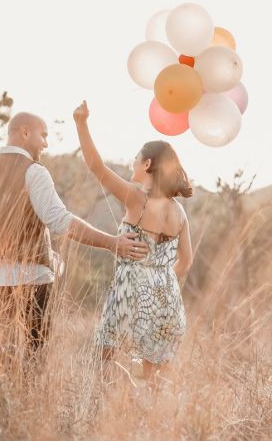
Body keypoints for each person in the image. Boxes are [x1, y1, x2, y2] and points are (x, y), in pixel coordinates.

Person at [0, 112, 148, 365]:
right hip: (33, 282)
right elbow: (60, 221)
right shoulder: (34, 171)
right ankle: (30, 403)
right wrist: (113, 244)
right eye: (43, 135)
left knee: (0, 360)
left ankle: (2, 403)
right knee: (35, 360)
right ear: (25, 133)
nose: (45, 144)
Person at [73, 100, 193, 383]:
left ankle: (111, 417)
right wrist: (159, 283)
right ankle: (149, 422)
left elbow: (96, 166)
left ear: (147, 164)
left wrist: (81, 123)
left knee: (106, 358)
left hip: (130, 293)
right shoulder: (179, 212)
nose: (132, 162)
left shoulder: (137, 198)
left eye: (136, 158)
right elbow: (186, 261)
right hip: (167, 298)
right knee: (154, 374)